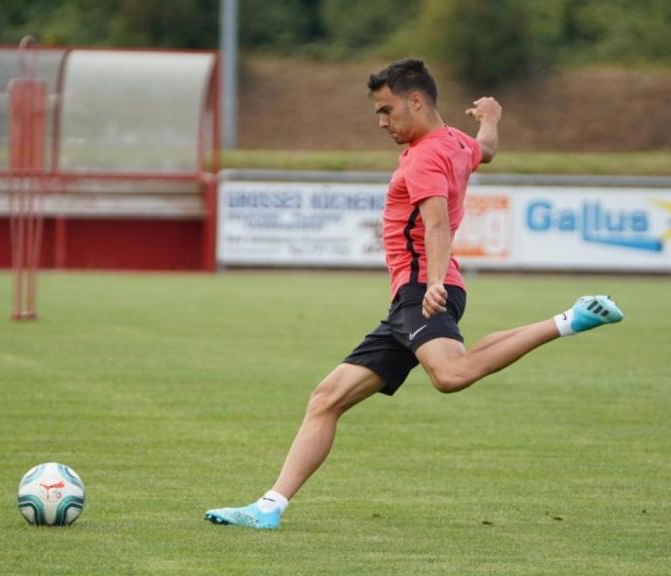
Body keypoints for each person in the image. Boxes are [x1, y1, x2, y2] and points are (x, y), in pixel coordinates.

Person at [205, 58, 623, 530]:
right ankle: (268, 509)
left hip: (422, 288)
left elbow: (436, 221)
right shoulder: (455, 143)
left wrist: (436, 282)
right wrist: (490, 118)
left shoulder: (425, 154)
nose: (383, 122)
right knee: (327, 398)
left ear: (416, 100)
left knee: (450, 374)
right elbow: (486, 150)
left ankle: (568, 321)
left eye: (387, 110)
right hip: (413, 296)